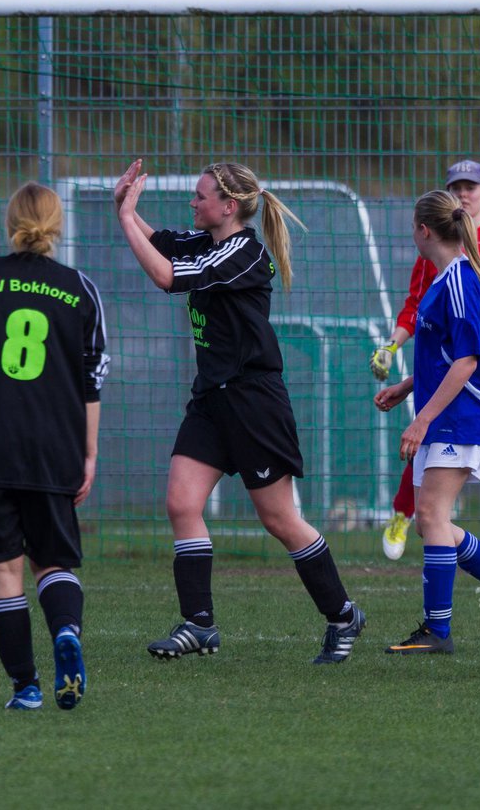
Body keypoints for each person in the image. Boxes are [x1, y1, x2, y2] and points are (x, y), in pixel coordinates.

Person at [114, 158, 366, 664]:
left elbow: (165, 276)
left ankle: (343, 615)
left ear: (228, 208)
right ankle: (198, 624)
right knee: (182, 504)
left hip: (254, 402)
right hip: (212, 399)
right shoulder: (207, 242)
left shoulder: (243, 253)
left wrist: (125, 220)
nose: (193, 203)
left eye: (201, 197)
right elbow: (161, 243)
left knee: (279, 519)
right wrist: (125, 207)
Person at [0, 181, 108, 711]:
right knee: (52, 562)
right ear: (58, 225)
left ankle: (26, 688)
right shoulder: (80, 289)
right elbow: (92, 378)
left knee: (4, 571)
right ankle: (67, 633)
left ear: (11, 223)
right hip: (53, 445)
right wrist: (89, 453)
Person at [375, 190, 480, 655]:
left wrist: (421, 420)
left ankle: (439, 631)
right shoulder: (445, 278)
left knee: (431, 515)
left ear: (424, 230)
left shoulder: (461, 280)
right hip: (446, 414)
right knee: (438, 522)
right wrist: (408, 386)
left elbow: (469, 361)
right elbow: (447, 354)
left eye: (413, 226)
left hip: (463, 417)